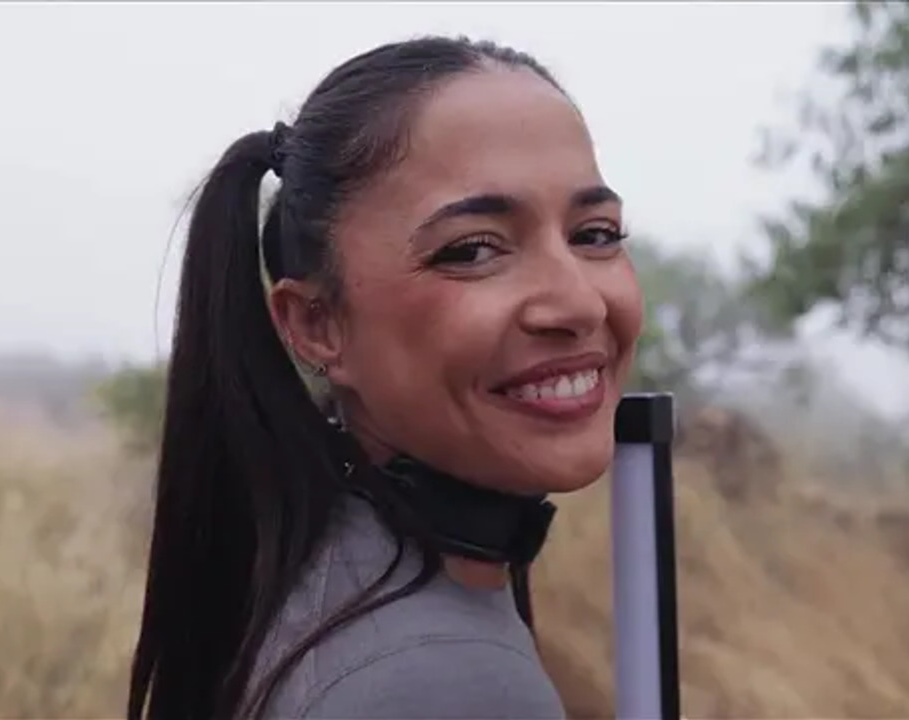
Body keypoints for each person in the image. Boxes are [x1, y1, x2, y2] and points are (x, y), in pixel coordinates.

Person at [127, 35, 643, 720]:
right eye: (473, 250)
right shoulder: (440, 682)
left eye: (595, 234)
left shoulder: (317, 575)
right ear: (317, 323)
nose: (580, 304)